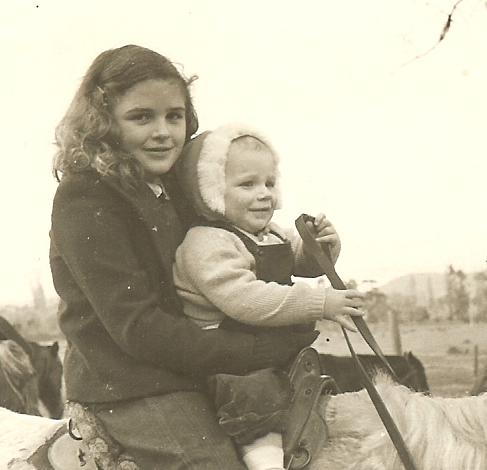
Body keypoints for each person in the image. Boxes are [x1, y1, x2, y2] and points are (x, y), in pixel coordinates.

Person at [49, 45, 319, 470]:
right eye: (142, 117)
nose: (163, 132)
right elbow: (139, 329)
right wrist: (256, 351)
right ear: (104, 123)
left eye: (174, 116)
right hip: (130, 382)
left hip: (190, 366)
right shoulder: (86, 198)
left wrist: (305, 256)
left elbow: (234, 248)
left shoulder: (175, 188)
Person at [173, 122, 365, 470]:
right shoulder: (206, 241)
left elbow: (301, 263)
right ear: (211, 192)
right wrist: (321, 302)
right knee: (258, 405)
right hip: (233, 360)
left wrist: (321, 247)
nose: (264, 194)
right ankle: (266, 464)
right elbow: (246, 300)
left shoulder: (268, 233)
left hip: (269, 351)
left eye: (269, 183)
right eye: (247, 184)